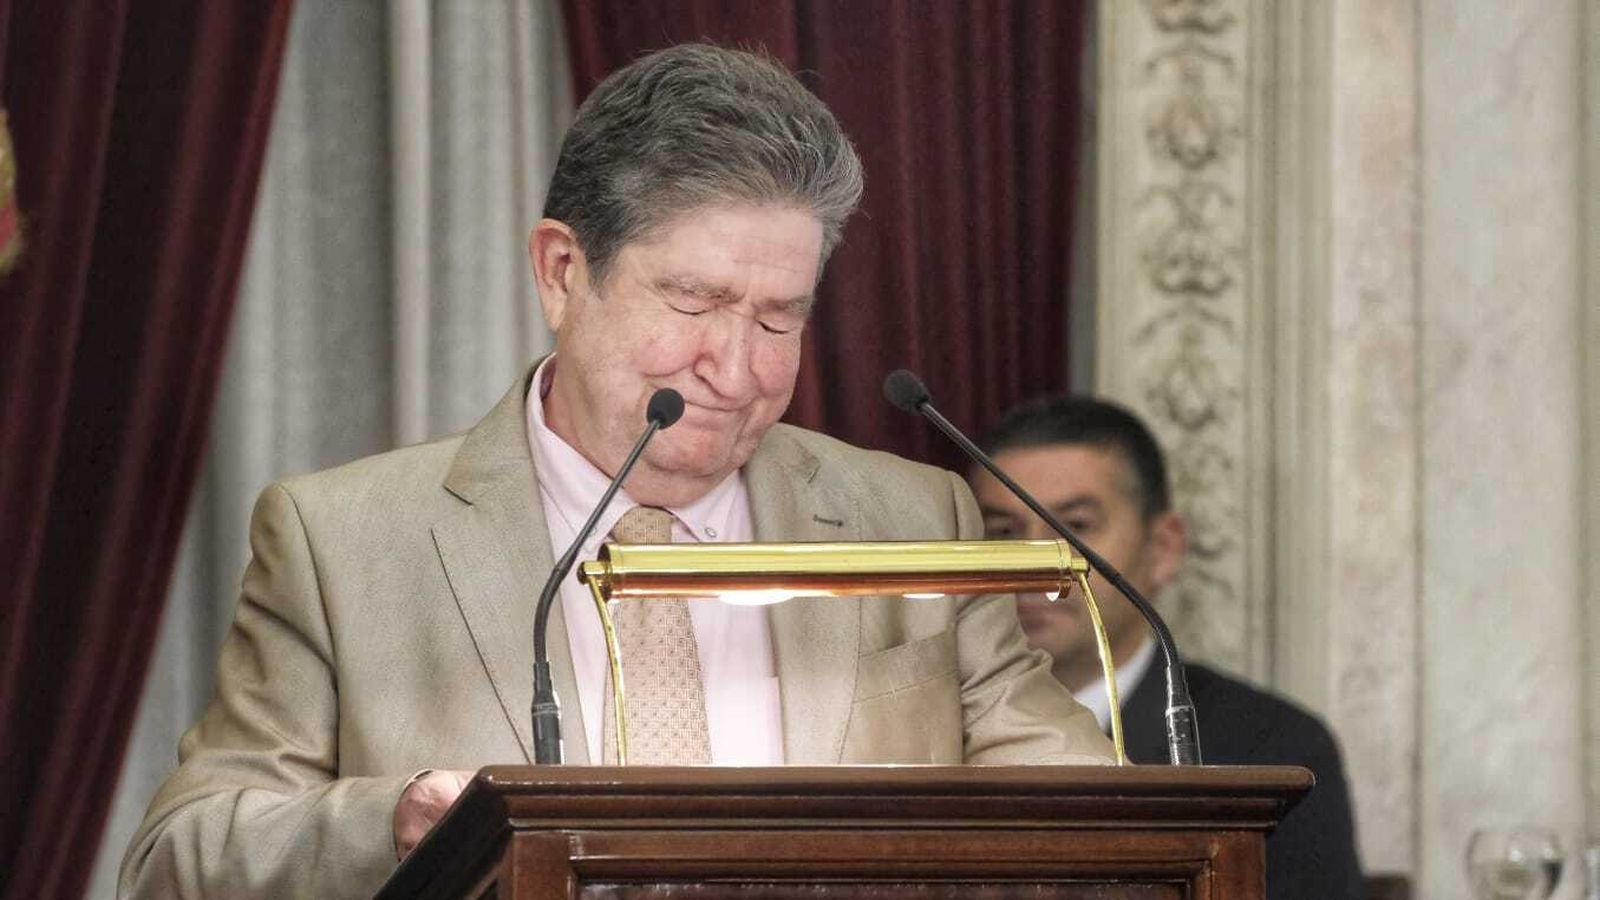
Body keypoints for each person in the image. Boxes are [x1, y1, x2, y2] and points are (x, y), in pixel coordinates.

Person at [119, 44, 1113, 899]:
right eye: (691, 303)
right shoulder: (341, 540)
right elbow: (181, 859)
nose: (737, 368)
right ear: (562, 272)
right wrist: (402, 820)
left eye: (780, 317)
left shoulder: (911, 516)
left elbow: (1089, 820)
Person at [968, 395, 1365, 900]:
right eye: (1003, 532)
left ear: (1163, 549)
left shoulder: (1272, 750)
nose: (1034, 562)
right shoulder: (929, 735)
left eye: (1076, 527)